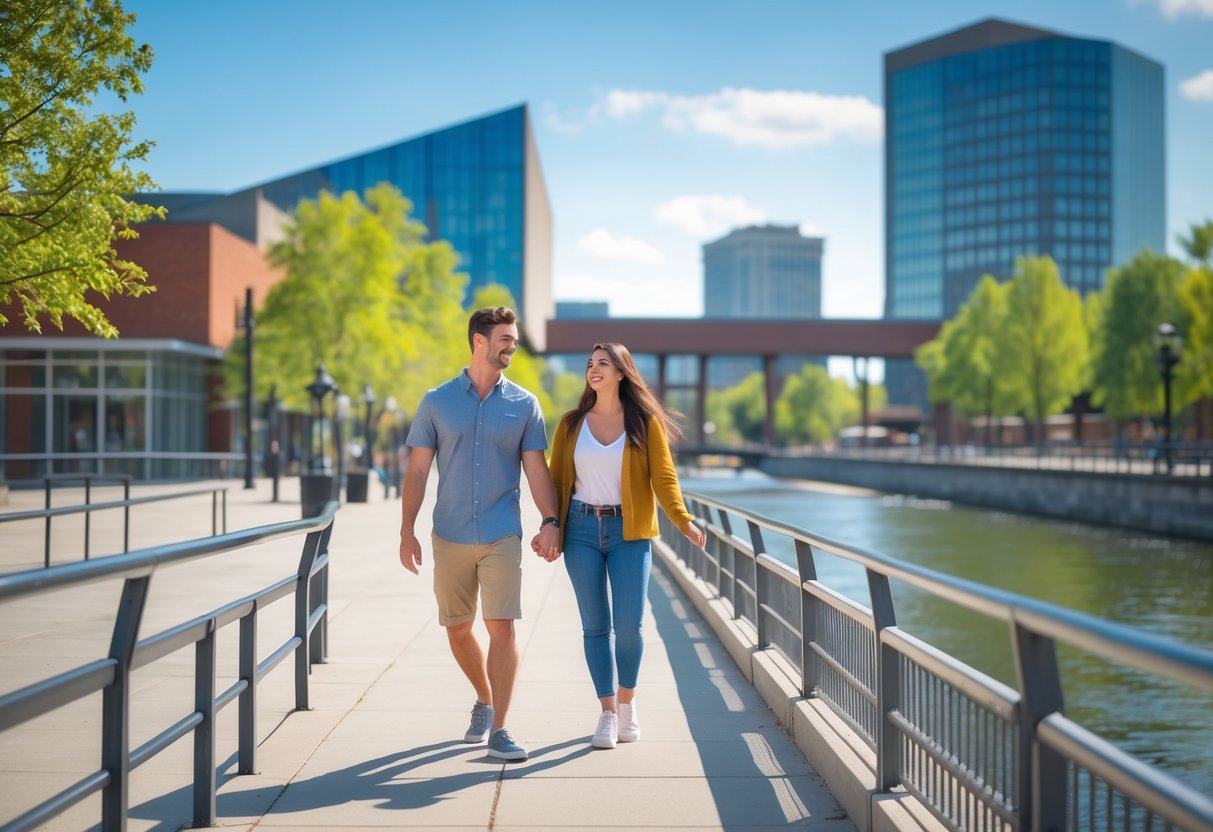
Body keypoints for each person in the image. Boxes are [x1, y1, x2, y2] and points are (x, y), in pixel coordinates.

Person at [399, 306, 560, 761]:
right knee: (456, 628)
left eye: (513, 339)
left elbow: (536, 470)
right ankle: (484, 700)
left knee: (502, 627)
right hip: (448, 532)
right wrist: (405, 531)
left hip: (500, 531)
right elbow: (417, 470)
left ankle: (502, 730)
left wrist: (550, 521)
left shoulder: (525, 404)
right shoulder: (436, 401)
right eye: (505, 339)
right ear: (479, 341)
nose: (512, 346)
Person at [544, 342, 706, 750]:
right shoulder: (570, 424)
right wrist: (549, 526)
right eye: (590, 364)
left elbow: (664, 479)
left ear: (621, 372)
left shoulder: (643, 422)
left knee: (629, 627)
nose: (594, 369)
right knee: (595, 627)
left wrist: (683, 520)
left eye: (603, 363)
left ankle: (628, 702)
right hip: (580, 530)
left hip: (629, 533)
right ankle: (607, 712)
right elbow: (557, 482)